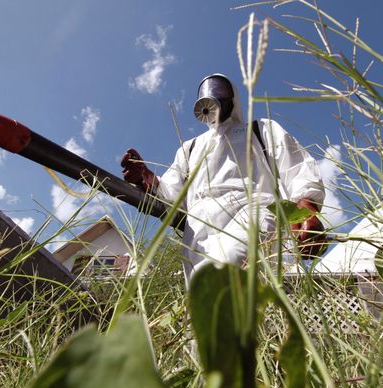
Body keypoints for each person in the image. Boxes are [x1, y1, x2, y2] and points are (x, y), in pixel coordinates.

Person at [121, 73, 325, 284]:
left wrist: (306, 207)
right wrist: (147, 177)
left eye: (218, 89)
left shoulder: (259, 130)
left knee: (229, 276)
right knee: (203, 295)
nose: (212, 95)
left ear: (232, 96)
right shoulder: (189, 148)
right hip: (198, 228)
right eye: (207, 91)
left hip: (252, 211)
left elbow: (296, 165)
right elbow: (172, 193)